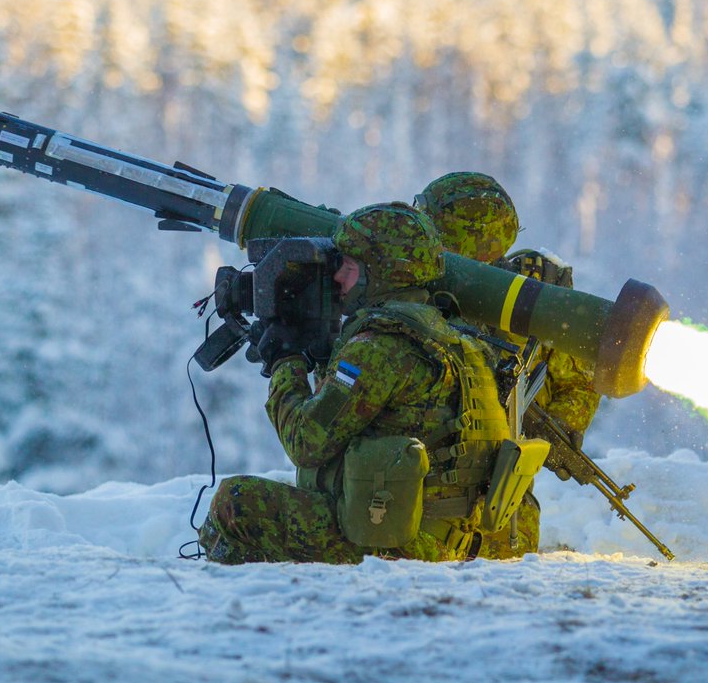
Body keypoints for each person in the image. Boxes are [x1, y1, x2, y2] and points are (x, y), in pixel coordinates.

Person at [198, 202, 510, 564]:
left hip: (403, 543)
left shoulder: (379, 347)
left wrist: (286, 361)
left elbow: (306, 442)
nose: (337, 279)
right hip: (455, 535)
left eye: (348, 268)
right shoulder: (456, 337)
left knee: (236, 501)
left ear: (378, 275)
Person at [413, 172, 601, 559]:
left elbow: (577, 384)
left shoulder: (532, 300)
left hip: (474, 524)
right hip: (444, 521)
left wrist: (555, 432)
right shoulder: (418, 292)